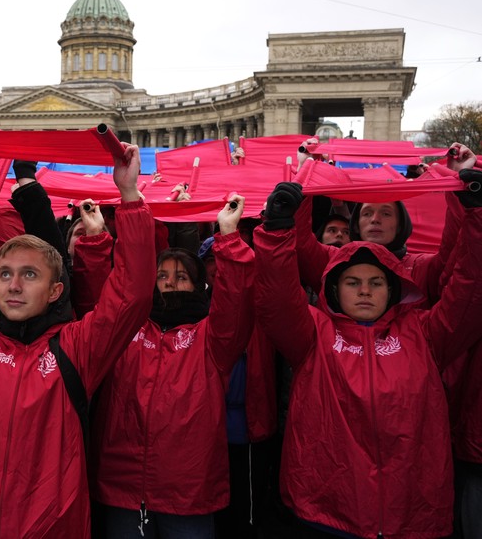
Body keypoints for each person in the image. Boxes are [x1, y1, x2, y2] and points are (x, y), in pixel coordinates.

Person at [0, 139, 155, 538]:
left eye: (29, 275)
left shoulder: (76, 348)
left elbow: (132, 295)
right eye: (5, 273)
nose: (13, 286)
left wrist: (130, 197)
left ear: (55, 291)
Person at [253, 177, 482, 538]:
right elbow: (276, 297)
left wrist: (476, 213)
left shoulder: (426, 334)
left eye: (376, 282)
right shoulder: (312, 335)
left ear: (393, 290)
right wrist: (278, 229)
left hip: (412, 515)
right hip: (327, 513)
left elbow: (470, 288)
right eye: (351, 282)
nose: (363, 290)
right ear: (333, 289)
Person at [89, 195, 255, 538]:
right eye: (162, 275)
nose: (169, 282)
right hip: (123, 488)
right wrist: (94, 243)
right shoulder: (126, 331)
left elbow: (236, 302)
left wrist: (228, 238)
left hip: (187, 495)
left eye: (181, 276)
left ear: (198, 286)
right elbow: (98, 298)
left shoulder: (211, 339)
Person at [294, 143, 476, 303]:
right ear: (356, 225)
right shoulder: (332, 260)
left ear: (401, 225)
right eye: (367, 213)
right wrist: (305, 170)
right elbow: (299, 241)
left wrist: (459, 183)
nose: (375, 219)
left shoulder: (422, 268)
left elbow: (457, 248)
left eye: (386, 213)